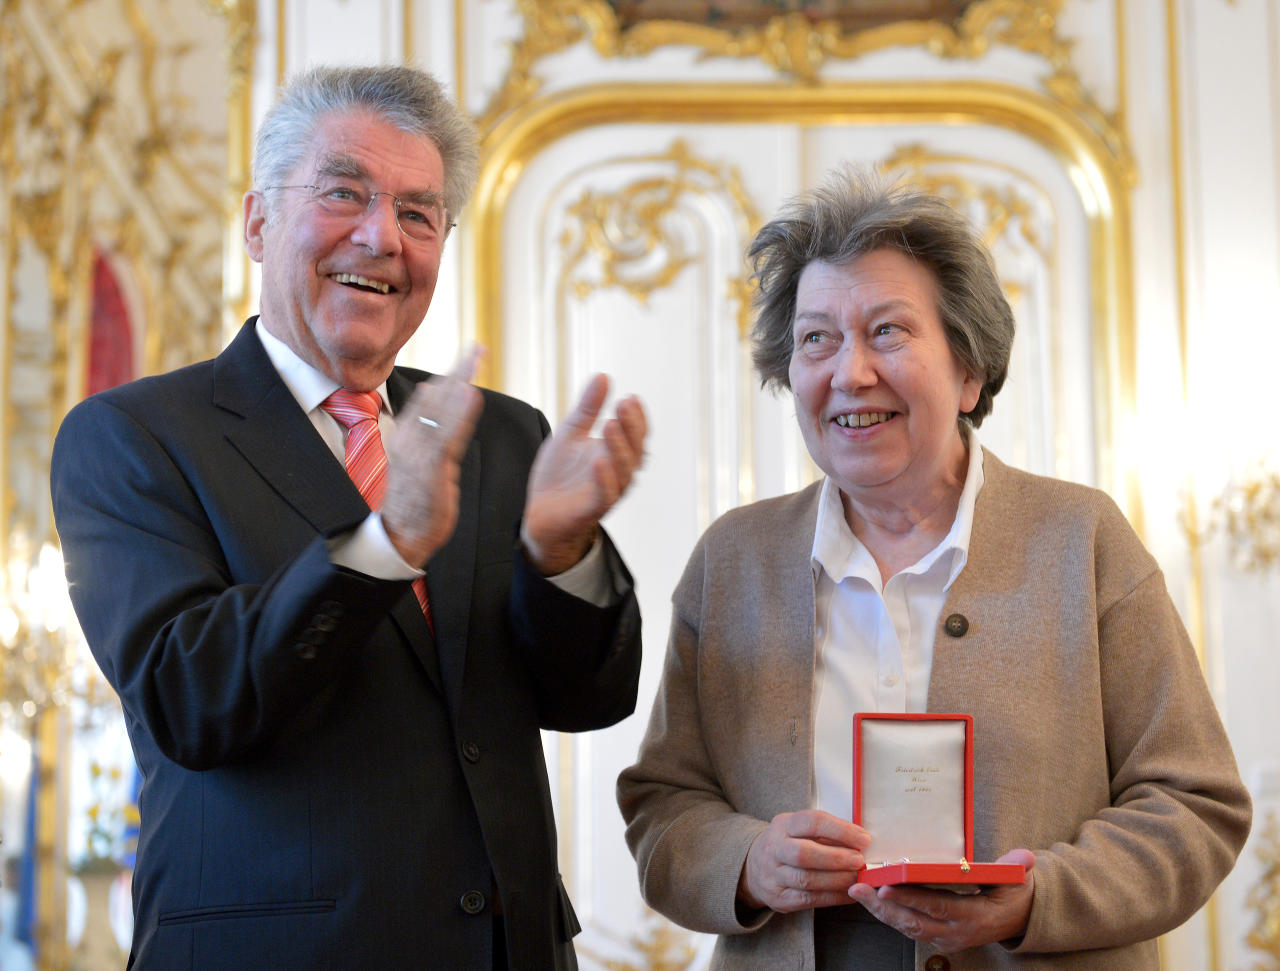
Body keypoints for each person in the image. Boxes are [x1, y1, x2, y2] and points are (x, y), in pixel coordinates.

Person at [51, 64, 647, 971]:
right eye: (344, 193)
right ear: (257, 222)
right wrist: (385, 543)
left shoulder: (501, 433)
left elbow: (589, 698)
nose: (383, 237)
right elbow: (191, 699)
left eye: (419, 213)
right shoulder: (132, 436)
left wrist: (561, 553)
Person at [616, 170, 1251, 969]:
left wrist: (1043, 895)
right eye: (816, 338)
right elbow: (663, 805)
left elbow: (1196, 804)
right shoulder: (734, 559)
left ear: (970, 371)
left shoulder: (1081, 538)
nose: (849, 373)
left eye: (887, 331)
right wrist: (745, 860)